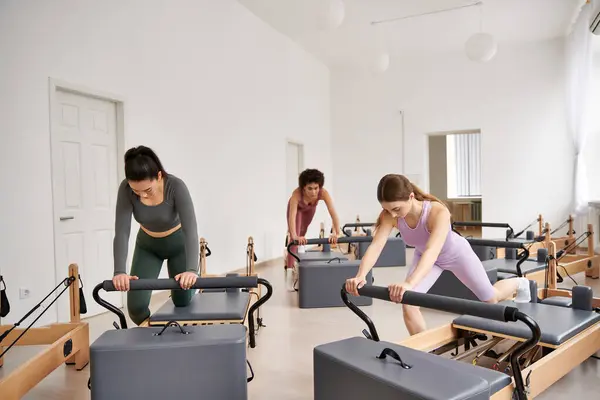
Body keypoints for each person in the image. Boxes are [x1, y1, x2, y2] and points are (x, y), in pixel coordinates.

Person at [345, 174, 531, 336]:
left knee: (490, 298)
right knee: (408, 301)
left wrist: (409, 283)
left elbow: (432, 251)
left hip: (455, 254)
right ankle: (428, 354)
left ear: (411, 197)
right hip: (427, 258)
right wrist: (361, 275)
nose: (393, 215)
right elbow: (377, 245)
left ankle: (519, 282)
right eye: (387, 210)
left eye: (396, 209)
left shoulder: (437, 212)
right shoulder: (390, 215)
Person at [112, 146, 200, 325]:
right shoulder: (125, 189)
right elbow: (122, 231)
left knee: (182, 302)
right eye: (136, 191)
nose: (142, 195)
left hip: (179, 246)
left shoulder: (176, 187)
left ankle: (190, 291)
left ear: (159, 176)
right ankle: (154, 339)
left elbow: (191, 230)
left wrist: (191, 270)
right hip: (148, 246)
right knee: (136, 309)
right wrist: (120, 271)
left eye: (148, 190)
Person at [286, 169, 341, 270]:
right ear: (303, 188)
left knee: (303, 232)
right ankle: (289, 268)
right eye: (310, 189)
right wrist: (294, 235)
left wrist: (337, 233)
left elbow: (333, 212)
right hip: (297, 209)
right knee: (295, 239)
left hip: (310, 209)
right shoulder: (296, 194)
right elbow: (292, 217)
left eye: (316, 188)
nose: (314, 192)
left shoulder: (323, 193)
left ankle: (294, 260)